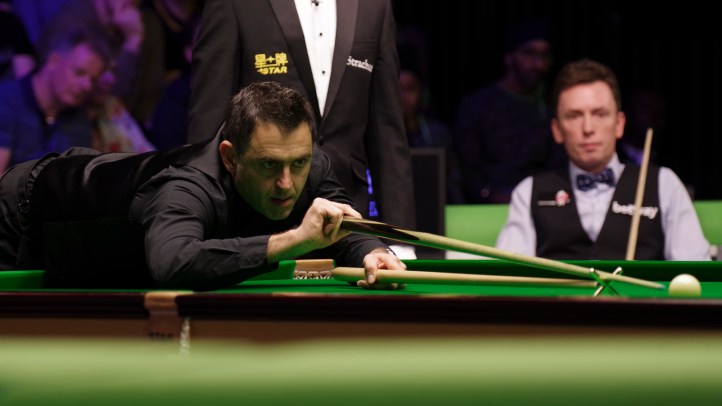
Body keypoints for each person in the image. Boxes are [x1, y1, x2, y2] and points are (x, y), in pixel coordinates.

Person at [0, 81, 406, 291]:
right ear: (230, 157)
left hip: (107, 194)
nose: (287, 183)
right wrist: (295, 240)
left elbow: (343, 224)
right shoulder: (185, 185)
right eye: (268, 165)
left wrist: (373, 252)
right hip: (30, 209)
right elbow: (173, 263)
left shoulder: (308, 162)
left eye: (298, 163)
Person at [187, 0, 416, 258]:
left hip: (348, 223)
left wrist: (400, 240)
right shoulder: (235, 4)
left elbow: (387, 131)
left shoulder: (374, 6)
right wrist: (199, 220)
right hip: (257, 229)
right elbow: (208, 118)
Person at [496, 58, 711, 261]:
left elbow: (694, 271)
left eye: (600, 114)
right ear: (557, 129)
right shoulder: (529, 192)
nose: (588, 128)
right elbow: (507, 276)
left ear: (619, 124)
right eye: (574, 116)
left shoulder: (664, 184)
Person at [453, 17, 564, 204]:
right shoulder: (477, 106)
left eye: (544, 55)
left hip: (541, 204)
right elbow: (467, 172)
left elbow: (558, 166)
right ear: (509, 57)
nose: (538, 64)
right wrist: (492, 195)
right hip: (486, 207)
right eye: (529, 53)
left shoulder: (551, 107)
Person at [0, 27, 112, 174]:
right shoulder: (6, 101)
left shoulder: (81, 123)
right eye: (79, 72)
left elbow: (74, 182)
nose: (86, 86)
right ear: (53, 61)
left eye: (93, 80)